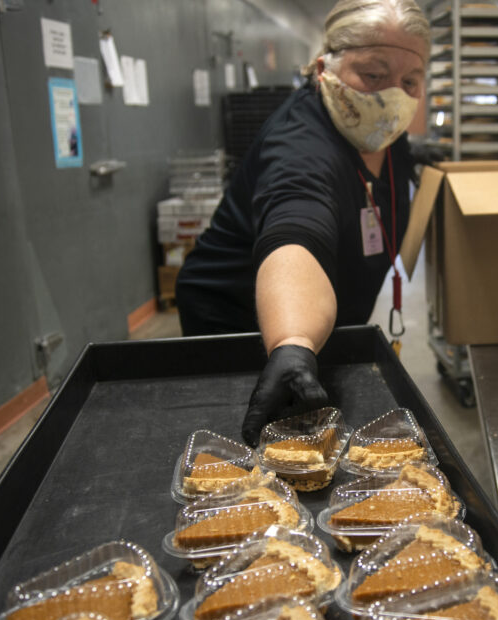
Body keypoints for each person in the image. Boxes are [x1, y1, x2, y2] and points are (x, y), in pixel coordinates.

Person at [175, 0, 430, 445]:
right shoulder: (301, 143)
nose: (393, 96)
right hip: (243, 322)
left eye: (410, 81)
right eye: (373, 75)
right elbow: (297, 226)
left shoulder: (384, 134)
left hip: (322, 323)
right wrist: (292, 339)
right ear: (322, 68)